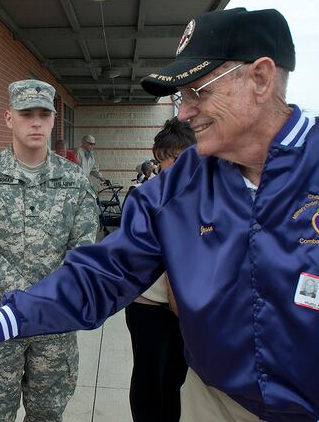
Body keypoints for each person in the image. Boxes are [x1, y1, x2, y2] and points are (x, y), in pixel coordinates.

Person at [0, 7, 319, 422]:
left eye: (197, 92)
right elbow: (102, 272)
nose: (184, 112)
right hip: (218, 404)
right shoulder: (178, 186)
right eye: (181, 97)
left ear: (260, 78)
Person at [0, 79, 98, 422]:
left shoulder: (74, 180)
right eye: (26, 113)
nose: (35, 122)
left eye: (43, 114)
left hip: (55, 325)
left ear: (52, 120)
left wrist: (47, 299)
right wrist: (27, 298)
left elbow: (84, 249)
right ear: (9, 118)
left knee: (48, 414)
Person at [124, 117, 194, 422]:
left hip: (186, 306)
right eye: (164, 160)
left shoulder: (204, 190)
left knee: (176, 376)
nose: (171, 168)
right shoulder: (149, 196)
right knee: (150, 376)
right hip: (150, 305)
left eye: (180, 159)